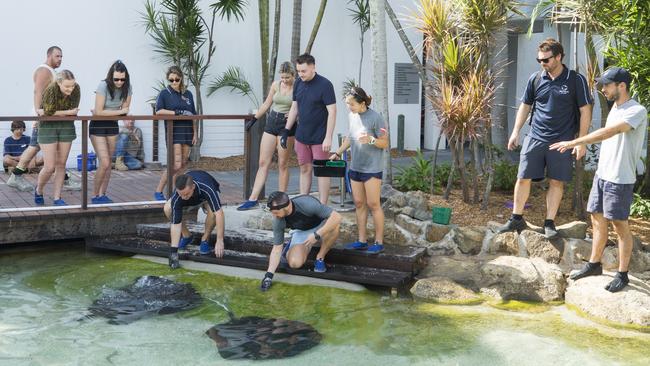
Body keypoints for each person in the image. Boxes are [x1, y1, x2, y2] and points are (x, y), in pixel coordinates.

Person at [550, 67, 647, 292]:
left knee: (620, 225)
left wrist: (574, 142)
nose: (603, 89)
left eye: (606, 85)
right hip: (602, 174)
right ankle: (594, 264)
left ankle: (623, 275)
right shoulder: (615, 106)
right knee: (596, 218)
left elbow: (609, 133)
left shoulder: (637, 110)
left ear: (621, 86)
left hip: (620, 178)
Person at [498, 38, 593, 238]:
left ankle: (549, 222)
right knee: (523, 177)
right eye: (539, 60)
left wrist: (581, 141)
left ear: (558, 57)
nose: (542, 64)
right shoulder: (536, 78)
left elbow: (585, 110)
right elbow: (525, 105)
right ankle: (516, 218)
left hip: (562, 140)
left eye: (546, 60)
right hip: (535, 136)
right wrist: (516, 131)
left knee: (557, 181)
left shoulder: (576, 80)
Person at [7, 46, 80, 192]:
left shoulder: (51, 71)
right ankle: (16, 176)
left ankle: (62, 178)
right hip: (44, 117)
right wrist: (38, 116)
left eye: (61, 57)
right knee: (35, 146)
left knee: (37, 147)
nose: (60, 59)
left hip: (48, 116)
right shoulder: (44, 70)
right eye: (57, 56)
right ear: (49, 56)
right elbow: (37, 92)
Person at [329, 87, 389, 254]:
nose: (349, 107)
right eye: (348, 104)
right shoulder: (352, 116)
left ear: (362, 103)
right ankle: (361, 240)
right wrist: (337, 152)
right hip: (356, 167)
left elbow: (384, 143)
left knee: (374, 204)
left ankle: (378, 242)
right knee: (359, 204)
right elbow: (350, 137)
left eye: (352, 104)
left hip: (372, 168)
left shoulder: (376, 118)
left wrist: (371, 140)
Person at [238, 62, 297, 211]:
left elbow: (302, 106)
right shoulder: (276, 85)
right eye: (282, 77)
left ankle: (282, 198)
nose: (284, 80)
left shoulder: (298, 87)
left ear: (293, 75)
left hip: (287, 126)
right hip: (272, 123)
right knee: (263, 162)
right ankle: (253, 199)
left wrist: (295, 115)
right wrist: (254, 119)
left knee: (283, 164)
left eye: (287, 77)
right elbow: (266, 104)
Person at [280, 54, 336, 205]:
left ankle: (323, 206)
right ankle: (304, 203)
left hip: (320, 137)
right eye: (298, 71)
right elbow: (294, 108)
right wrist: (286, 130)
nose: (300, 74)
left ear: (313, 67)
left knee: (322, 172)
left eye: (303, 71)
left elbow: (332, 112)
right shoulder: (298, 83)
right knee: (304, 168)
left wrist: (328, 137)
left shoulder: (325, 85)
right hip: (302, 136)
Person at [260, 191, 342, 291]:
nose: (275, 216)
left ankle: (320, 257)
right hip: (301, 232)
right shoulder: (278, 220)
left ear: (286, 207)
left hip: (320, 226)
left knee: (335, 226)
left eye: (276, 213)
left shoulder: (307, 204)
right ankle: (294, 248)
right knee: (295, 263)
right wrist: (268, 276)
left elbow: (337, 217)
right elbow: (277, 248)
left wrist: (317, 235)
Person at [35, 70, 80, 206]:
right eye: (67, 86)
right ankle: (39, 190)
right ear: (59, 83)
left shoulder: (76, 88)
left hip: (66, 126)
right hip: (47, 127)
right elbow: (48, 113)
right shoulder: (51, 89)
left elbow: (74, 110)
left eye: (72, 86)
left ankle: (57, 197)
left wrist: (61, 113)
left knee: (61, 164)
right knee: (49, 166)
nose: (70, 89)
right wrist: (67, 112)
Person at [90, 60, 133, 204]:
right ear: (111, 77)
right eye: (116, 79)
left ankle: (103, 194)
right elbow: (99, 112)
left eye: (122, 79)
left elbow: (125, 111)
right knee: (105, 162)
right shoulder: (103, 85)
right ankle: (95, 195)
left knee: (109, 163)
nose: (119, 82)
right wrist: (118, 111)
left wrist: (119, 113)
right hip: (98, 126)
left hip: (112, 126)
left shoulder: (128, 87)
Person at [164, 170, 225, 269]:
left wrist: (220, 240)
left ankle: (205, 239)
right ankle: (186, 236)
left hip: (204, 198)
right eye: (181, 194)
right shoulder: (178, 195)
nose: (183, 197)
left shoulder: (207, 188)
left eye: (186, 194)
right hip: (192, 199)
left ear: (193, 187)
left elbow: (219, 214)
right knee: (167, 208)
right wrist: (173, 252)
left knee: (213, 213)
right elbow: (175, 224)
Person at [154, 66, 197, 201]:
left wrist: (195, 133)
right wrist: (177, 113)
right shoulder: (164, 93)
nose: (174, 82)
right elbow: (159, 111)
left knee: (183, 164)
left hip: (187, 131)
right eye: (171, 80)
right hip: (174, 132)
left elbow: (193, 115)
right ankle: (159, 191)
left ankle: (174, 191)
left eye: (176, 79)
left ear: (181, 79)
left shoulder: (188, 94)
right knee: (176, 164)